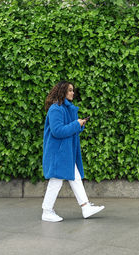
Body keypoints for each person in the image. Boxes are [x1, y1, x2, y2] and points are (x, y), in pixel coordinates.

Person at [41, 81, 104, 222]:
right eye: (69, 90)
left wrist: (79, 124)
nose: (72, 93)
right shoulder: (56, 109)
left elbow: (68, 128)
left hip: (65, 152)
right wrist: (77, 124)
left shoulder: (65, 108)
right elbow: (57, 131)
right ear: (62, 91)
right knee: (56, 180)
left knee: (74, 177)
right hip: (58, 152)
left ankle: (85, 206)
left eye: (72, 90)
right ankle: (47, 211)